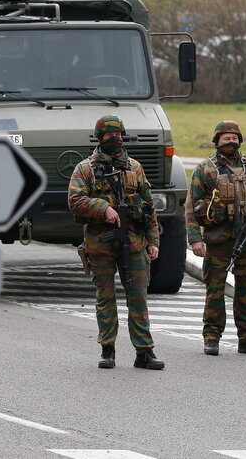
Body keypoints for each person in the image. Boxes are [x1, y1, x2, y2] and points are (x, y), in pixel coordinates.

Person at [68, 114, 164, 370]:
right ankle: (107, 349)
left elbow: (149, 207)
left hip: (134, 242)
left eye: (119, 135)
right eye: (110, 136)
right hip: (101, 242)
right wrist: (102, 208)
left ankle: (144, 351)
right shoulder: (85, 168)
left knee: (139, 297)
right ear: (99, 139)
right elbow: (74, 200)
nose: (115, 139)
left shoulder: (134, 167)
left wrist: (153, 240)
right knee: (106, 297)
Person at [184, 120, 246, 356]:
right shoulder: (205, 169)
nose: (231, 141)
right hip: (218, 240)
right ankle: (212, 337)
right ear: (217, 141)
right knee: (215, 290)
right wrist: (195, 239)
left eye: (235, 137)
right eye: (226, 138)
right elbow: (191, 205)